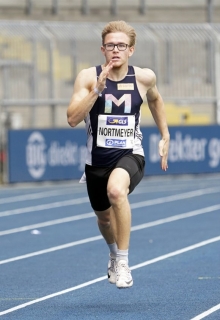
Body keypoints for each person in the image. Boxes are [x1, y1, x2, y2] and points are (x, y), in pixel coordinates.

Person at [67, 20, 170, 289]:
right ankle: (113, 254)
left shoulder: (143, 77)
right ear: (103, 49)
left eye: (121, 46)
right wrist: (96, 92)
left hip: (130, 154)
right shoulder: (88, 77)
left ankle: (123, 262)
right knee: (103, 217)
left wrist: (165, 135)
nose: (116, 50)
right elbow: (72, 118)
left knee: (116, 192)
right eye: (111, 45)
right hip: (96, 161)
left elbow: (156, 100)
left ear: (131, 50)